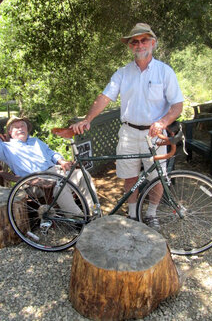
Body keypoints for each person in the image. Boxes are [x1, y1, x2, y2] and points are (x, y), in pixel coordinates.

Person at [70, 23, 183, 225]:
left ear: (153, 43)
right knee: (129, 177)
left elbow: (177, 105)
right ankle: (132, 215)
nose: (139, 45)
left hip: (156, 134)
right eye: (135, 42)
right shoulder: (122, 73)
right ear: (130, 46)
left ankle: (151, 215)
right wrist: (87, 119)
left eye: (144, 40)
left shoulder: (165, 72)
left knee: (157, 177)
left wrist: (163, 121)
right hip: (129, 132)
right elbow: (104, 97)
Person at [0, 116, 96, 215]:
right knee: (60, 186)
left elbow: (51, 153)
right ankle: (81, 219)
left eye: (22, 126)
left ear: (27, 129)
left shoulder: (36, 141)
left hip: (54, 170)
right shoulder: (5, 148)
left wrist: (62, 161)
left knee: (82, 175)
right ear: (10, 132)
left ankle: (94, 213)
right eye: (16, 127)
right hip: (33, 180)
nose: (20, 129)